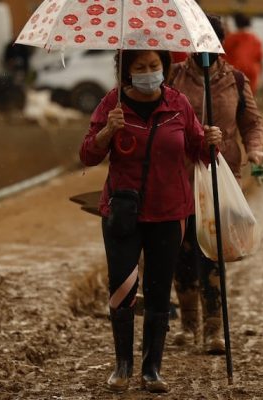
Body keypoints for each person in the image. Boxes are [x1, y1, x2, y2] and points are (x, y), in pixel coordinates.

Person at [79, 49, 222, 393]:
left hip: (170, 212)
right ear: (126, 72)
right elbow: (87, 155)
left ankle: (152, 369)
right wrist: (106, 133)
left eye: (154, 66)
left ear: (165, 67)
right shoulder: (111, 105)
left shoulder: (178, 104)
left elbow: (198, 151)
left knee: (159, 290)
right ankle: (123, 366)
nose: (148, 73)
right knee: (123, 289)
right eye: (139, 67)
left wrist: (211, 142)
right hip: (122, 212)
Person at [167, 14, 263, 355]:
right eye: (198, 42)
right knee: (181, 252)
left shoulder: (236, 81)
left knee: (212, 253)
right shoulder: (173, 77)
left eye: (210, 41)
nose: (204, 49)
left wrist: (255, 150)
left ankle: (213, 329)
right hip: (179, 176)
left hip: (219, 177)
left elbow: (251, 122)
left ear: (220, 43)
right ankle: (188, 325)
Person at [223, 12, 263, 94]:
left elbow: (223, 55)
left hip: (236, 72)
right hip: (252, 72)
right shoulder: (255, 39)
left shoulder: (231, 38)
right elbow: (260, 58)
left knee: (236, 98)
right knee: (249, 98)